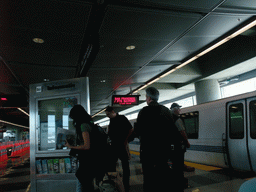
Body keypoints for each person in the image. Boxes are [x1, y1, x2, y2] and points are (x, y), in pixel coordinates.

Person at [135, 87, 181, 191]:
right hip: (163, 151)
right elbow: (173, 131)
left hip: (147, 151)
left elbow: (138, 131)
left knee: (148, 178)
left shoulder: (143, 111)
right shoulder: (165, 110)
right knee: (162, 175)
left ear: (148, 98)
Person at [65, 104, 95, 192]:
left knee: (84, 182)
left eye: (74, 117)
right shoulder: (89, 122)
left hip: (87, 159)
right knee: (87, 183)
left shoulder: (83, 126)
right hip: (91, 158)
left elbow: (86, 146)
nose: (74, 120)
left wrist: (71, 146)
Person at [105, 106, 133, 192]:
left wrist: (125, 140)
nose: (108, 116)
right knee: (112, 165)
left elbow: (130, 129)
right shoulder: (111, 120)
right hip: (114, 145)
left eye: (108, 114)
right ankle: (114, 182)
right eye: (106, 115)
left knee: (125, 165)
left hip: (122, 145)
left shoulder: (122, 118)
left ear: (113, 111)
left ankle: (126, 184)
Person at [170, 103, 191, 189]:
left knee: (175, 165)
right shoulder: (177, 119)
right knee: (179, 164)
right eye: (179, 108)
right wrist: (187, 142)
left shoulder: (169, 118)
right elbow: (182, 132)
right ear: (175, 109)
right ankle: (180, 183)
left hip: (172, 146)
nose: (180, 110)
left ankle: (175, 182)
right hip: (179, 146)